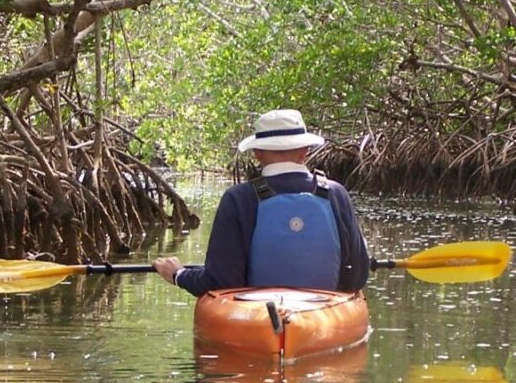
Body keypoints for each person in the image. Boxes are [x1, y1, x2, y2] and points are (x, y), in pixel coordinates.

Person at [152, 109, 369, 296]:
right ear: (305, 151)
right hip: (324, 320)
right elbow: (356, 277)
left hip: (257, 322)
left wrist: (179, 275)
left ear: (257, 153)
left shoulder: (238, 198)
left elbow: (221, 281)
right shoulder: (336, 194)